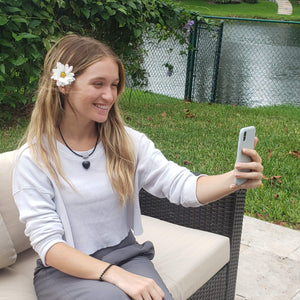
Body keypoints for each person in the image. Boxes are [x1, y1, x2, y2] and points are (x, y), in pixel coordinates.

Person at [13, 34, 263, 300]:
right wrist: (115, 275)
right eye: (98, 84)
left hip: (126, 254)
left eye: (114, 85)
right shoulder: (35, 159)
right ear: (64, 85)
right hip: (66, 271)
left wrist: (235, 178)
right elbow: (49, 245)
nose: (109, 95)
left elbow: (181, 186)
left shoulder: (127, 142)